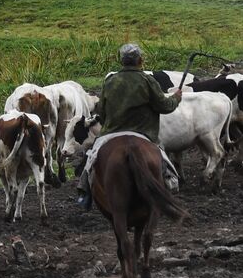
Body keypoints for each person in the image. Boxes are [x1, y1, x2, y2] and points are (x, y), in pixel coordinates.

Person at [75, 43, 183, 210]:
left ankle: (84, 192)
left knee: (91, 159)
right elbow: (165, 106)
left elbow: (101, 111)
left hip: (111, 133)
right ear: (140, 60)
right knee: (161, 156)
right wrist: (176, 97)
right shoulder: (147, 80)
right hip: (144, 133)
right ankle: (171, 182)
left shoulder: (110, 81)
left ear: (122, 61)